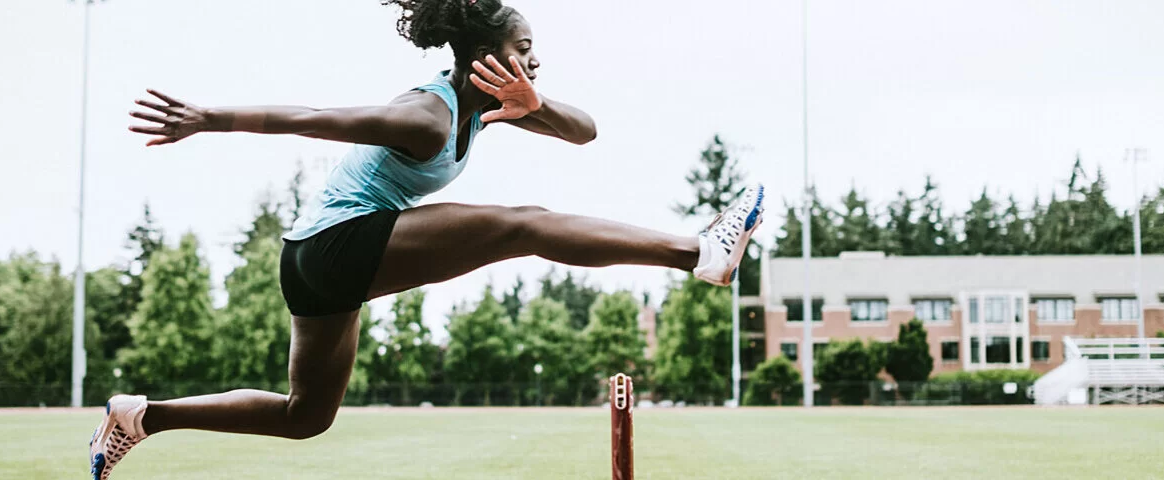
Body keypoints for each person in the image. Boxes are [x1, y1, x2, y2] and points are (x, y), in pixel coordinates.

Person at [88, 1, 764, 477]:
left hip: (312, 261)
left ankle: (140, 416)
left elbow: (584, 131)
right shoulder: (430, 116)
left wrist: (534, 105)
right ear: (482, 56)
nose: (535, 60)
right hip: (336, 243)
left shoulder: (487, 108)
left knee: (305, 416)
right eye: (524, 50)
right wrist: (211, 116)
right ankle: (698, 252)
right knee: (522, 223)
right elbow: (320, 116)